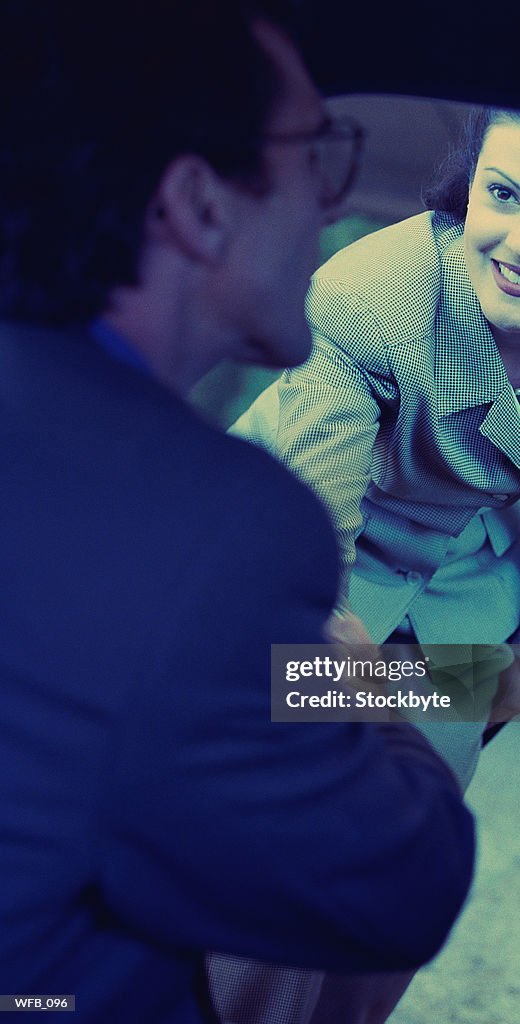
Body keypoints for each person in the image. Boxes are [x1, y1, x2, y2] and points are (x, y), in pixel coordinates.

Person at [0, 4, 477, 1022]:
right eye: (319, 160)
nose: (331, 214)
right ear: (198, 204)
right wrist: (362, 685)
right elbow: (399, 889)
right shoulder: (222, 530)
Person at [228, 106, 520, 1021]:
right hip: (306, 546)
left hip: (470, 577)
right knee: (292, 806)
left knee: (419, 840)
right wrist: (344, 676)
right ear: (469, 184)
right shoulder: (370, 297)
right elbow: (317, 528)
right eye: (502, 194)